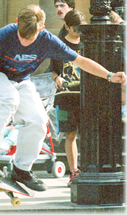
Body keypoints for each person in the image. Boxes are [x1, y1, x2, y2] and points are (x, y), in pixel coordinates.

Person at [0, 5, 125, 192]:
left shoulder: (49, 41)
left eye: (31, 38)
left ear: (42, 29)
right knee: (8, 99)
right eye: (22, 36)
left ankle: (22, 169)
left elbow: (81, 61)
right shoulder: (4, 34)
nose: (25, 41)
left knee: (39, 119)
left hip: (21, 80)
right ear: (16, 23)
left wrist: (109, 75)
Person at [49, 10, 86, 187]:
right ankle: (73, 171)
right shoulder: (59, 45)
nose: (78, 31)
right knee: (70, 134)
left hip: (85, 97)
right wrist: (57, 78)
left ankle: (87, 170)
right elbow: (53, 70)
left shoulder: (87, 44)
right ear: (67, 27)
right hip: (65, 98)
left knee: (88, 135)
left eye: (80, 27)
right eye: (75, 28)